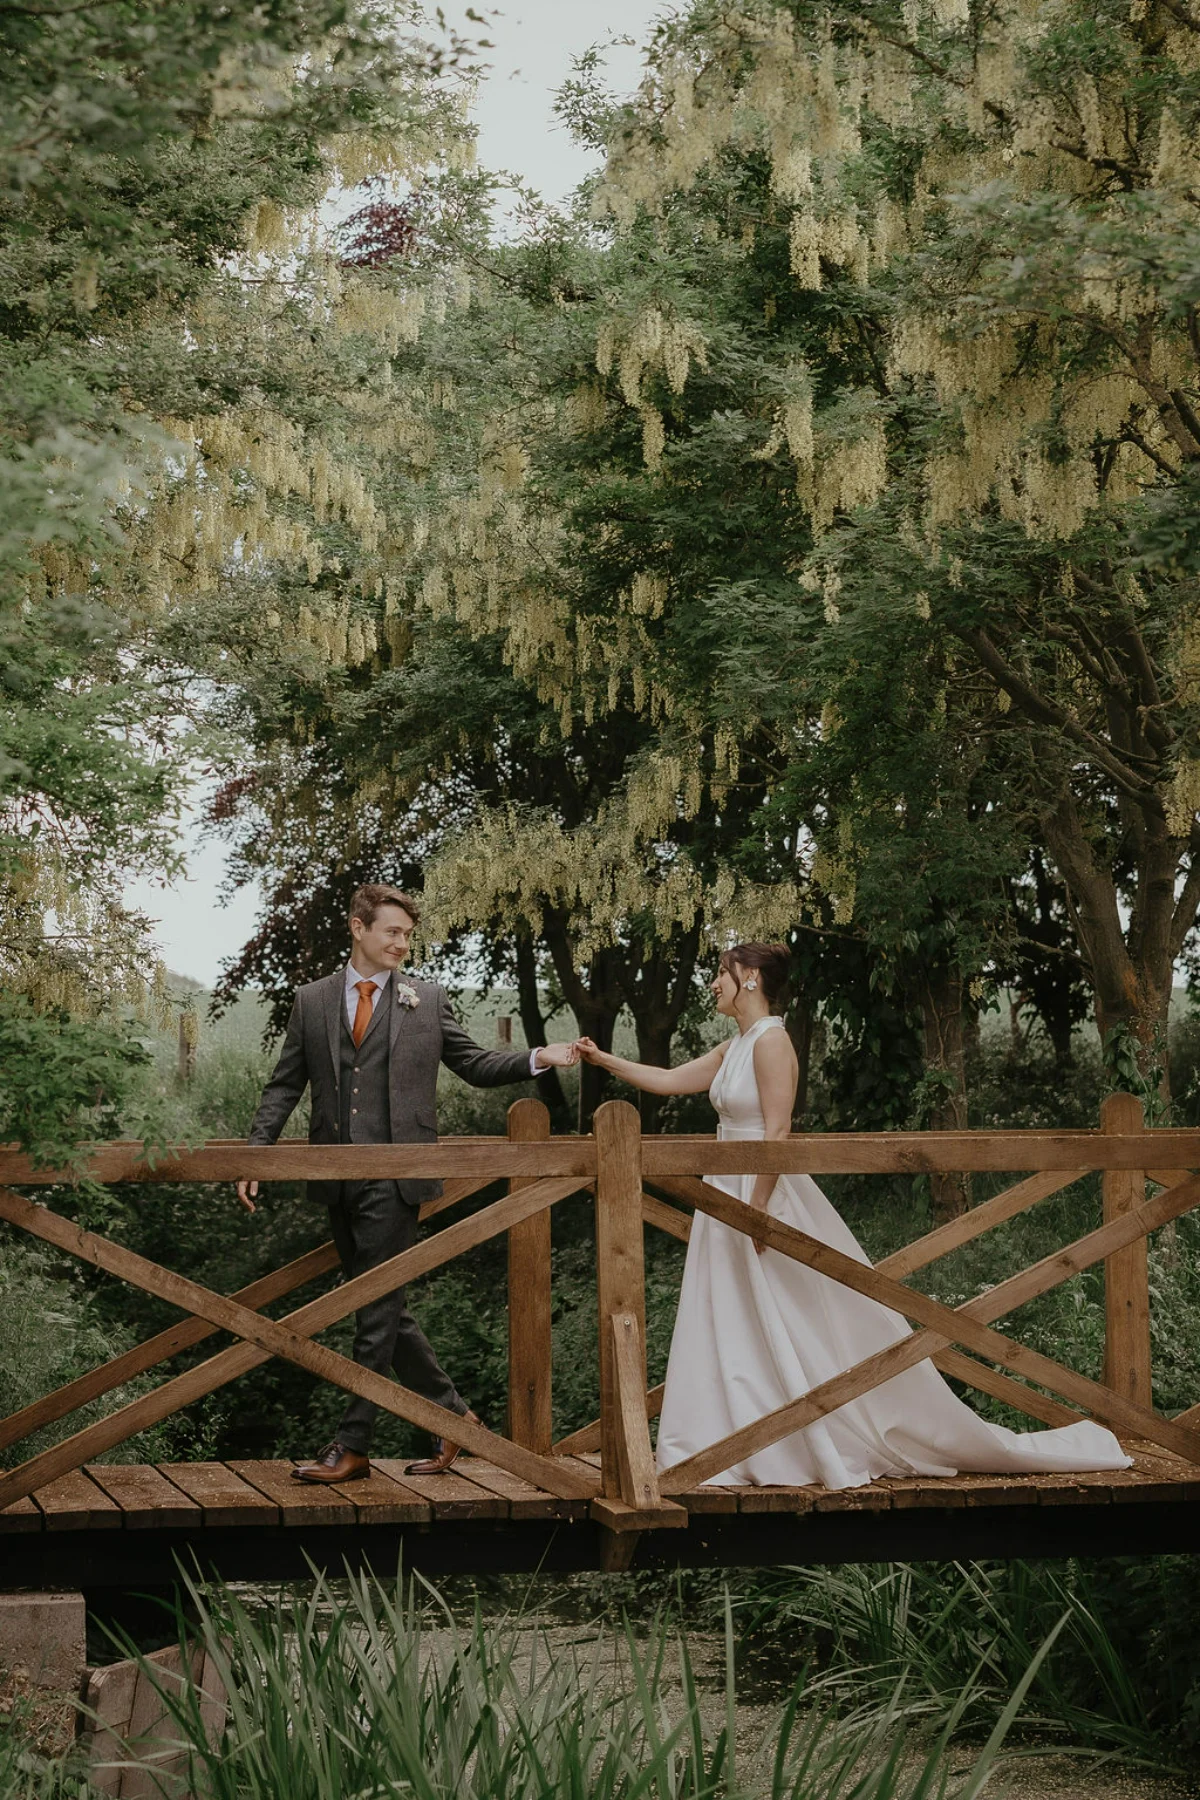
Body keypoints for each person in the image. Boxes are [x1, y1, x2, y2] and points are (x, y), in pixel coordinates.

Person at [574, 942, 1131, 1489]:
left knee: (792, 1315)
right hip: (726, 1188)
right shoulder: (736, 1044)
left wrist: (759, 1208)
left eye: (720, 973)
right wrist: (602, 1058)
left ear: (748, 977)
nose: (713, 983)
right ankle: (733, 1438)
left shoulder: (771, 1043)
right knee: (733, 1312)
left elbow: (777, 1132)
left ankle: (802, 1436)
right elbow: (672, 1079)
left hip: (757, 1190)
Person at [237, 883, 578, 1484]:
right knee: (384, 1310)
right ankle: (455, 1420)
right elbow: (285, 1085)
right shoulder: (312, 1001)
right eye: (392, 932)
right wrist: (256, 1155)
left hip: (398, 1179)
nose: (402, 943)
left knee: (373, 1311)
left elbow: (473, 1064)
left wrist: (537, 1058)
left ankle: (353, 1442)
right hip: (335, 1177)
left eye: (407, 935)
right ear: (358, 927)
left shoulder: (428, 999)